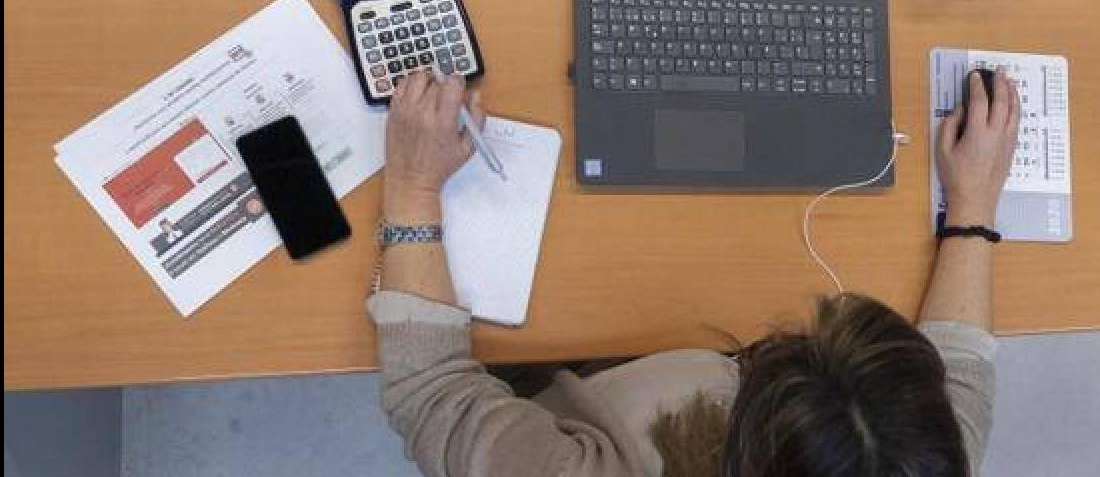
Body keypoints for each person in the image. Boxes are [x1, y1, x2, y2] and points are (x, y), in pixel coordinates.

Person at [368, 68, 1020, 477]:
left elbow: (430, 393)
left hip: (575, 380)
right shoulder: (906, 457)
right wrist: (973, 208)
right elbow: (961, 374)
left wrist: (414, 184)